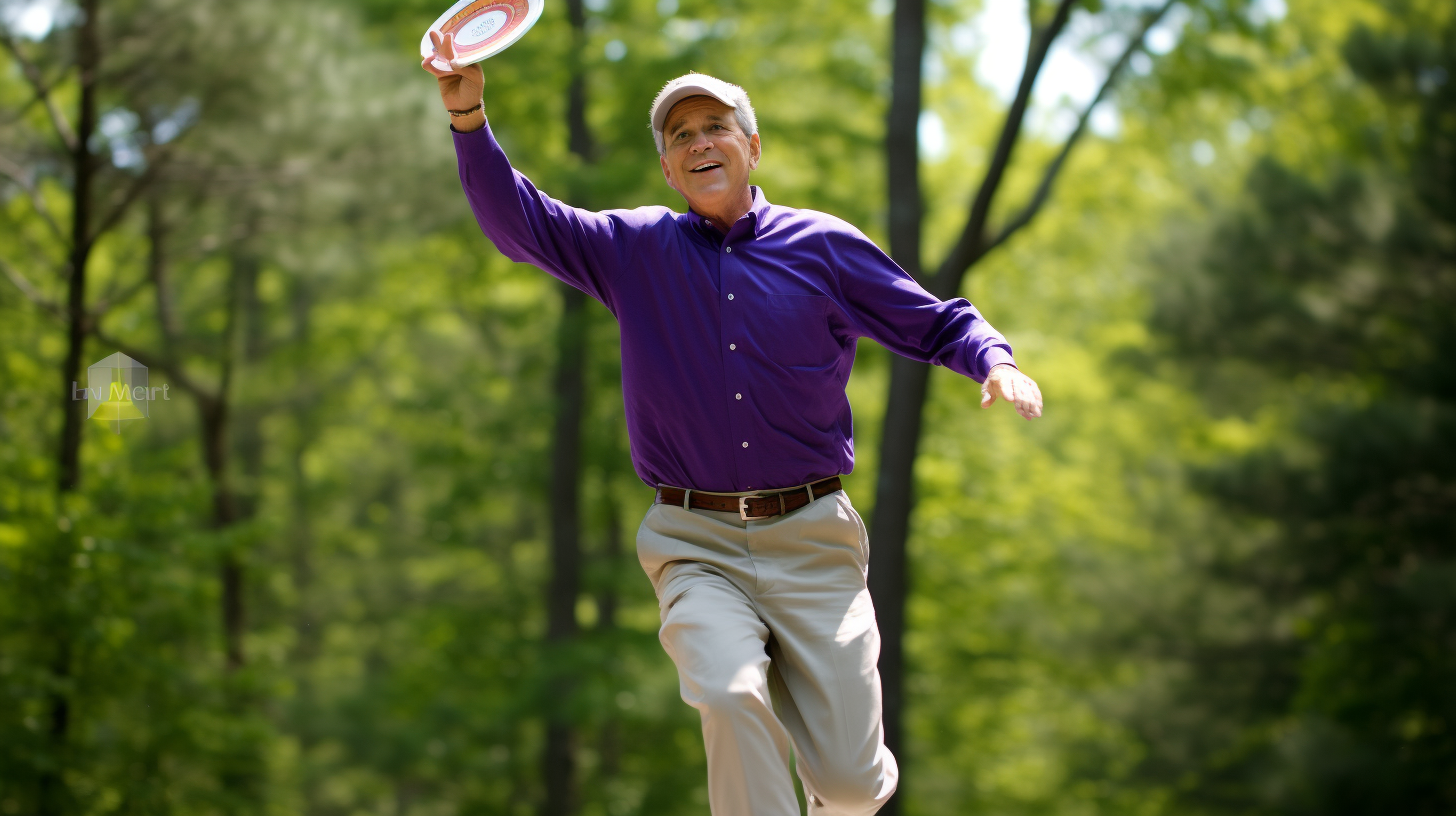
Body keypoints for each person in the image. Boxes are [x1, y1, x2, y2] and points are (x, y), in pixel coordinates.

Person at [423, 31, 1043, 816]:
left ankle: (839, 791)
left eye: (714, 126)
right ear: (667, 168)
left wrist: (995, 360)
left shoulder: (824, 248)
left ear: (751, 146)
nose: (698, 142)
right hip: (695, 544)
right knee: (728, 691)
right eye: (680, 135)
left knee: (851, 789)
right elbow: (521, 222)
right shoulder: (636, 249)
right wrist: (469, 118)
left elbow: (936, 322)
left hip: (815, 539)